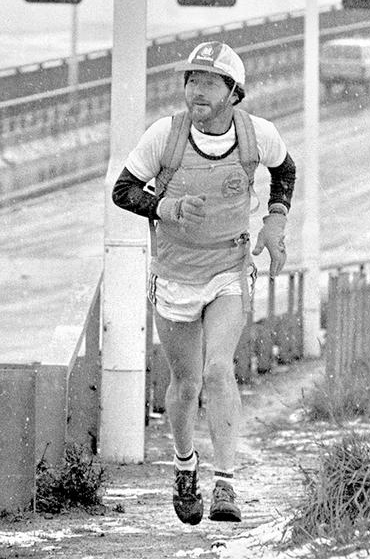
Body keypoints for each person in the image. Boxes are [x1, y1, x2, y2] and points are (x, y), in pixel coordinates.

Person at [111, 40, 296, 524]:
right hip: (174, 274)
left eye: (209, 82)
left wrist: (274, 222)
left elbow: (285, 170)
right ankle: (184, 464)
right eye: (191, 81)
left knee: (218, 369)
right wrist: (164, 207)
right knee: (186, 381)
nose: (197, 91)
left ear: (233, 92)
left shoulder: (258, 135)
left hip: (228, 269)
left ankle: (226, 483)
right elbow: (123, 190)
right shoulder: (164, 137)